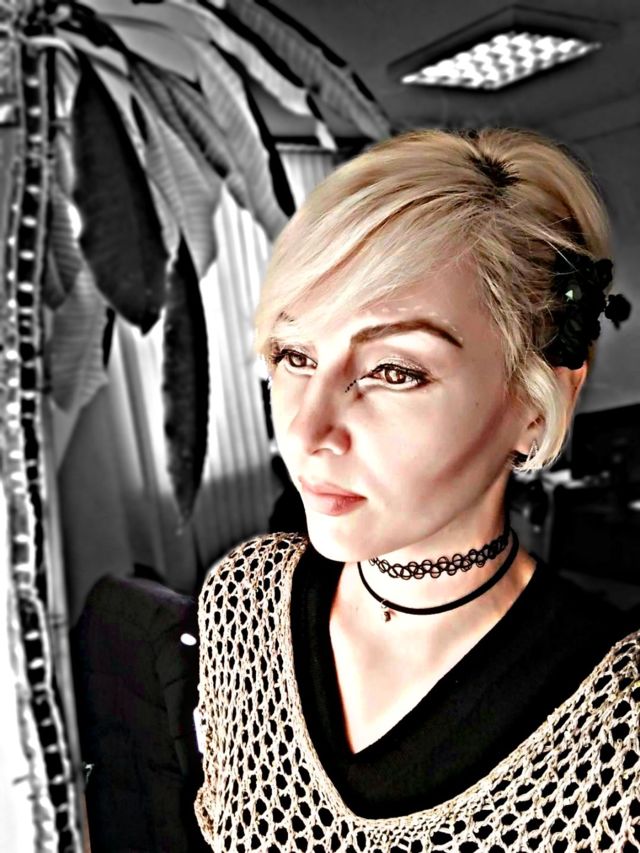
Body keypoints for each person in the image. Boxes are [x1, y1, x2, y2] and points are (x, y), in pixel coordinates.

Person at [195, 128, 639, 851]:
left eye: (393, 371)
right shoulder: (242, 604)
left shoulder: (620, 726)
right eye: (295, 355)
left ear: (534, 405)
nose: (306, 431)